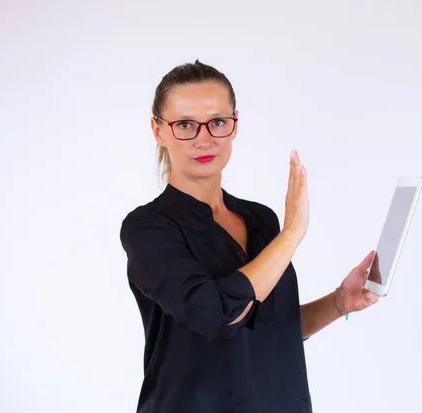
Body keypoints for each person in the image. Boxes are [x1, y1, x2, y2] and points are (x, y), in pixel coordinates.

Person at [119, 60, 380, 413]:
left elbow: (269, 324)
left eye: (218, 122)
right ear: (158, 130)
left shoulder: (260, 219)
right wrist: (292, 234)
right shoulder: (148, 228)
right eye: (185, 125)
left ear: (235, 125)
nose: (204, 138)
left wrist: (338, 303)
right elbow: (216, 314)